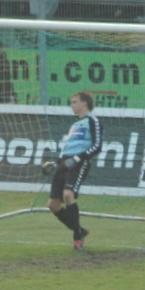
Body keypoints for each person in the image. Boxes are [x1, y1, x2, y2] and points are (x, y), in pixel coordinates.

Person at [47, 92, 103, 252]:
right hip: (65, 163)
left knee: (68, 194)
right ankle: (79, 230)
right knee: (53, 204)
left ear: (84, 103)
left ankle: (77, 239)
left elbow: (97, 146)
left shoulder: (93, 121)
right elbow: (68, 148)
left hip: (79, 163)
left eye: (74, 102)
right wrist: (54, 163)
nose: (71, 105)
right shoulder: (75, 125)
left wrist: (78, 159)